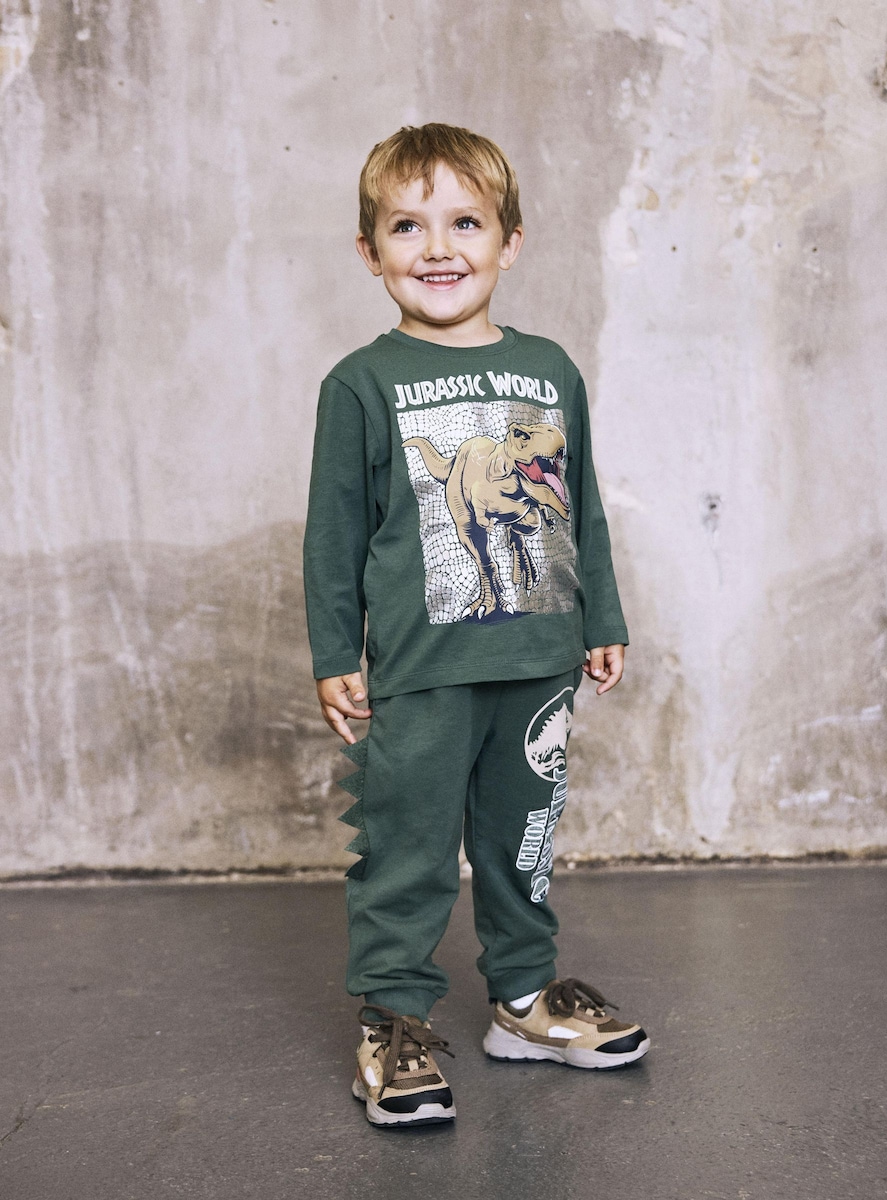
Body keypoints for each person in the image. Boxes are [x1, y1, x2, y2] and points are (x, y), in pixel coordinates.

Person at [303, 123, 649, 1128]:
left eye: (465, 223)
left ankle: (524, 1001)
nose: (438, 248)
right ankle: (395, 1021)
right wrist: (334, 651)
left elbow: (582, 506)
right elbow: (334, 532)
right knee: (407, 848)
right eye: (407, 227)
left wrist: (602, 615)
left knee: (522, 841)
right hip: (421, 667)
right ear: (370, 251)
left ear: (511, 242)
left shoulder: (550, 369)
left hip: (539, 658)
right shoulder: (360, 383)